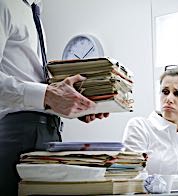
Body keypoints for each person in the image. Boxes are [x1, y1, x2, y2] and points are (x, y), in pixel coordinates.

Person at [0, 0, 108, 195]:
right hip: (16, 133)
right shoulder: (5, 5)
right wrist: (48, 95)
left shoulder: (35, 10)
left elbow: (27, 80)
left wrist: (72, 103)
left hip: (49, 131)